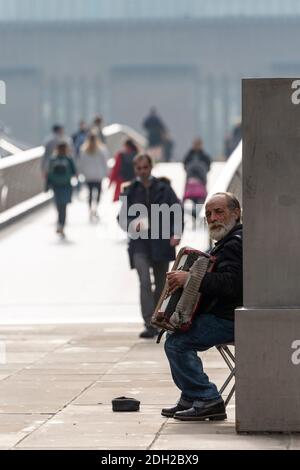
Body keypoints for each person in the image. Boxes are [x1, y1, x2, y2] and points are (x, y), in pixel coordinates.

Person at [162, 192, 242, 421]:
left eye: (219, 212)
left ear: (236, 213)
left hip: (231, 318)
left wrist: (189, 279)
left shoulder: (235, 244)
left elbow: (231, 285)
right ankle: (191, 396)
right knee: (174, 336)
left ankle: (207, 398)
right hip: (228, 315)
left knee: (178, 344)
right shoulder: (227, 242)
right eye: (208, 214)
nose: (213, 218)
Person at [118, 153, 183, 339]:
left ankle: (158, 319)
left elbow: (176, 211)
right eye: (139, 168)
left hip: (161, 242)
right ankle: (149, 323)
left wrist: (176, 234)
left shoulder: (164, 188)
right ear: (135, 169)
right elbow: (121, 218)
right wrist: (132, 224)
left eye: (145, 167)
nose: (142, 171)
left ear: (151, 167)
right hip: (139, 244)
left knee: (162, 284)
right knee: (145, 280)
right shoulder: (129, 191)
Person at [47, 140, 77, 237]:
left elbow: (49, 174)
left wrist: (47, 186)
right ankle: (62, 225)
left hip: (56, 186)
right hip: (66, 185)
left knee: (58, 205)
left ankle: (59, 223)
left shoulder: (52, 159)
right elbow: (74, 172)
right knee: (64, 207)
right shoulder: (68, 159)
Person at [79, 132, 109, 219]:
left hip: (88, 175)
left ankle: (90, 209)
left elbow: (81, 163)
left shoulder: (84, 150)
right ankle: (95, 208)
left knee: (90, 193)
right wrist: (106, 173)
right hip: (98, 175)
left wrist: (81, 172)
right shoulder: (102, 149)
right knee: (98, 192)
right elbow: (105, 162)